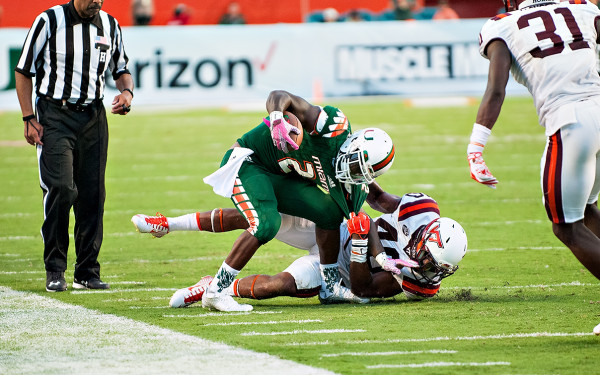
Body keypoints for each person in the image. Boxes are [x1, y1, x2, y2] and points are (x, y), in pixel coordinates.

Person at [140, 90, 394, 312]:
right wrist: (276, 119)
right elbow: (279, 95)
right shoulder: (328, 127)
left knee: (328, 212)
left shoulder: (352, 182)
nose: (352, 174)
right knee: (265, 222)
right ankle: (215, 291)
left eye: (362, 173)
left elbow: (367, 210)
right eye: (354, 165)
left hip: (278, 176)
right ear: (353, 144)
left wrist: (382, 258)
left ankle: (329, 286)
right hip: (249, 161)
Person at [131, 183, 468, 308]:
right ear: (427, 235)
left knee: (275, 287)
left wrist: (363, 247)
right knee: (263, 216)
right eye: (429, 257)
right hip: (334, 229)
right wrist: (355, 174)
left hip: (342, 274)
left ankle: (212, 287)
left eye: (437, 267)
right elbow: (377, 198)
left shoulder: (421, 283)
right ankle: (169, 224)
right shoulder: (420, 209)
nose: (428, 267)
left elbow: (366, 288)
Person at [470, 1, 600, 280]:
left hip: (571, 122)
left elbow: (495, 90)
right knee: (586, 208)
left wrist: (476, 147)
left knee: (566, 226)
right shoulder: (583, 8)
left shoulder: (502, 24)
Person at [15, 0, 134, 292]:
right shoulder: (48, 20)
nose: (96, 1)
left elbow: (121, 69)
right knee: (62, 188)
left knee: (93, 195)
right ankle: (55, 269)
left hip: (93, 116)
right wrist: (28, 117)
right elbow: (23, 70)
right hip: (55, 115)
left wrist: (127, 92)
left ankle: (87, 271)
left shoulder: (110, 24)